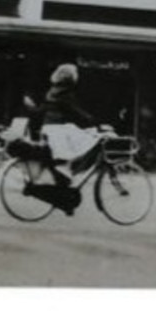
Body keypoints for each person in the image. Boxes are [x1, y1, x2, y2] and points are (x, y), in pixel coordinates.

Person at [29, 63, 103, 215]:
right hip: (60, 131)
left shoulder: (52, 92)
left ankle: (66, 196)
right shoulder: (66, 94)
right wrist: (93, 120)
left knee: (62, 162)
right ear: (70, 79)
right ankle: (66, 189)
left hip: (49, 129)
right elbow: (75, 111)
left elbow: (43, 110)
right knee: (88, 141)